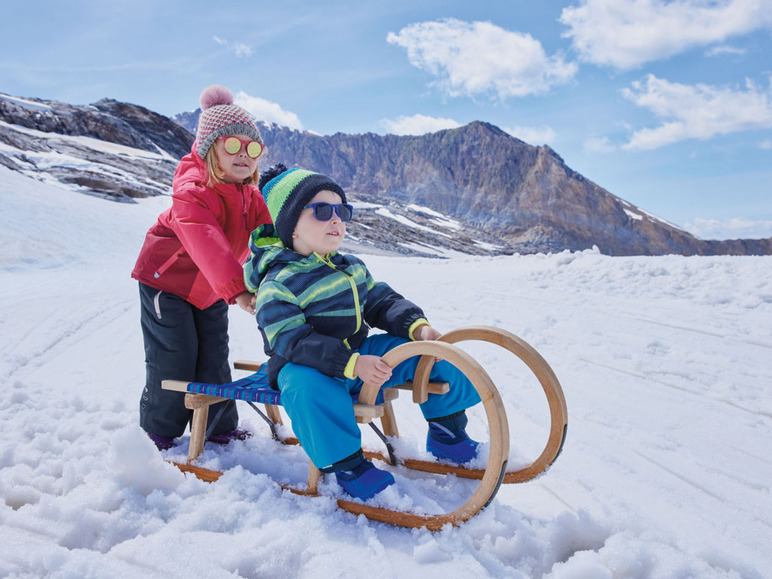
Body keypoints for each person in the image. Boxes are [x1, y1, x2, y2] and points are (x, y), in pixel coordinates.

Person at [244, 164, 482, 500]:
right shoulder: (277, 284)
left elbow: (380, 302)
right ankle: (349, 467)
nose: (336, 219)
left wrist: (418, 327)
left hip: (358, 358)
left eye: (342, 210)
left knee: (432, 353)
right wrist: (352, 363)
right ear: (290, 226)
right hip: (307, 366)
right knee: (305, 389)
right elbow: (291, 341)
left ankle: (448, 433)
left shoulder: (350, 268)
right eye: (322, 211)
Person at [132, 85, 272, 451]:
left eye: (252, 148)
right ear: (211, 148)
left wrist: (283, 277)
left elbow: (269, 238)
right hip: (168, 283)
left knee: (213, 353)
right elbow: (204, 240)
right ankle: (159, 431)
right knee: (174, 356)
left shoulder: (250, 195)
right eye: (232, 145)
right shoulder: (192, 189)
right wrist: (239, 290)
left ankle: (219, 427)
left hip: (212, 289)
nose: (244, 154)